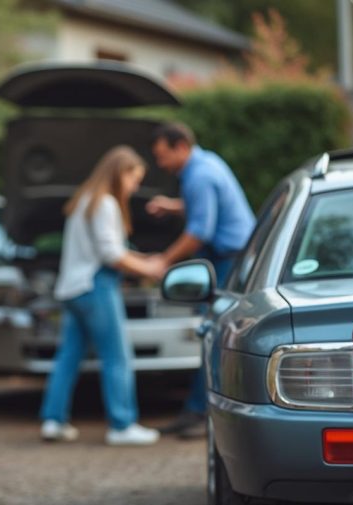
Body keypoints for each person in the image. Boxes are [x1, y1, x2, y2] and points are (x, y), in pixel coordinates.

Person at [39, 145, 161, 446]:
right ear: (120, 173)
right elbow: (110, 254)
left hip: (72, 288)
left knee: (68, 357)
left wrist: (141, 259)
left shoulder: (84, 201)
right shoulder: (105, 203)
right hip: (95, 287)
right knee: (117, 356)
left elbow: (104, 248)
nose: (136, 186)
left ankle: (53, 420)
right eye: (135, 178)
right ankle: (122, 425)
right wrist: (148, 269)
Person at [145, 122, 255, 439]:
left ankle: (199, 413)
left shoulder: (200, 176)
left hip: (227, 261)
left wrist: (162, 262)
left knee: (213, 333)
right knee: (216, 333)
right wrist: (173, 206)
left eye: (162, 156)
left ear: (180, 146)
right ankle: (198, 410)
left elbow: (199, 233)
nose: (160, 164)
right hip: (233, 255)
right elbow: (205, 209)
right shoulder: (208, 162)